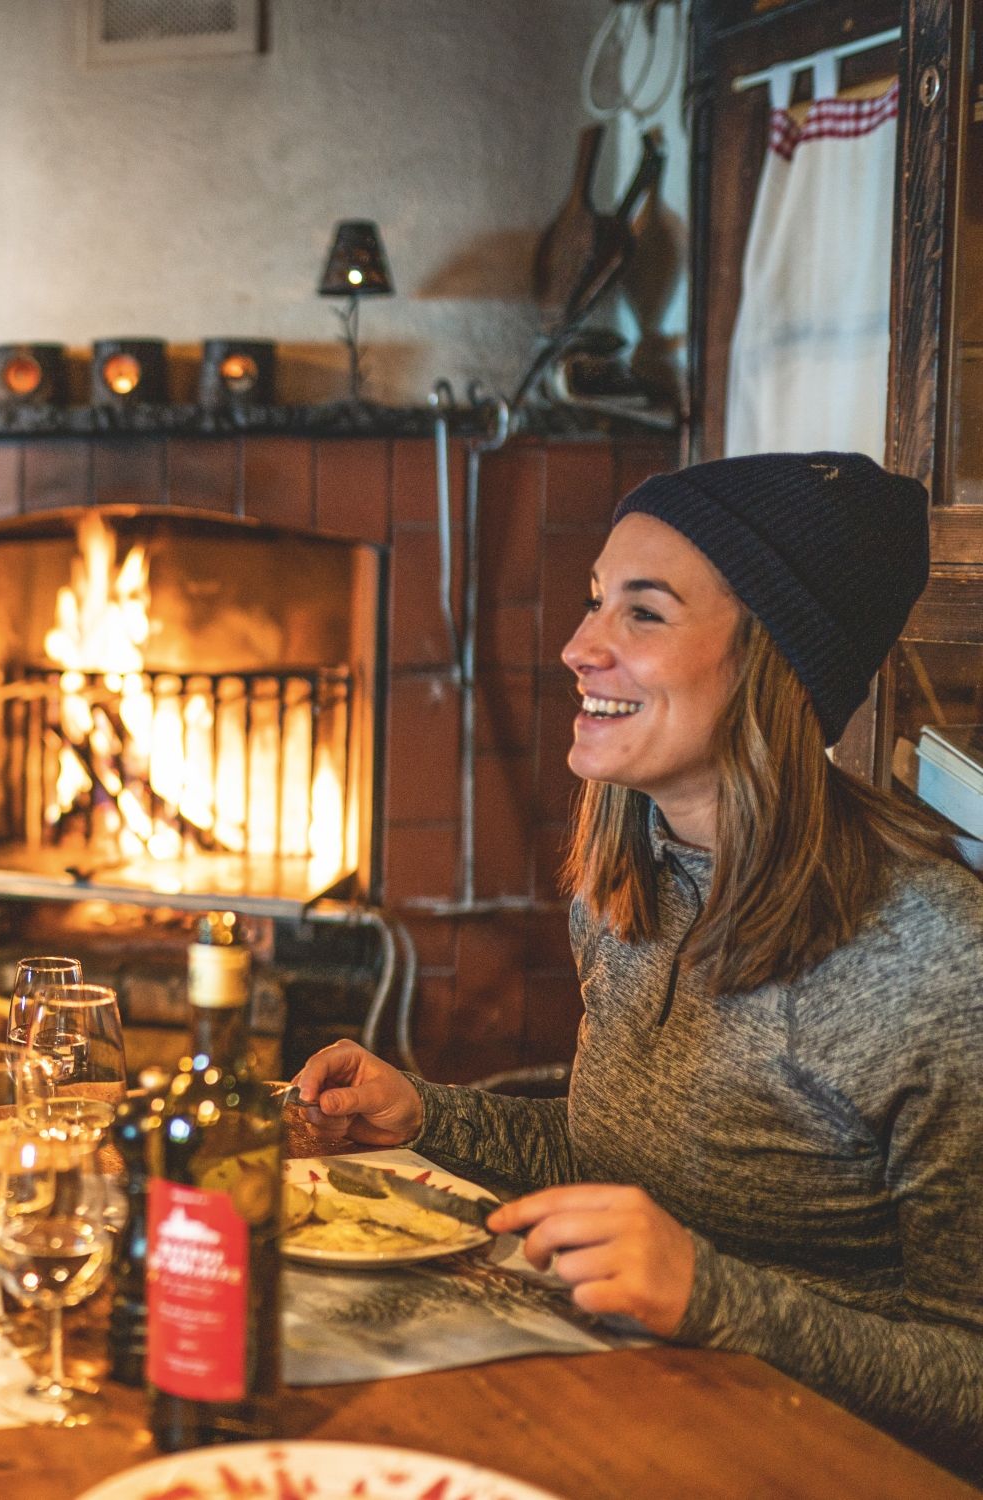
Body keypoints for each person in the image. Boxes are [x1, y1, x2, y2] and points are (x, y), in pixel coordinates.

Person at [294, 452, 983, 1479]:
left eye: (641, 614)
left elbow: (967, 1377)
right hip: (629, 1398)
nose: (577, 647)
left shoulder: (933, 959)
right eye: (590, 604)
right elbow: (623, 1178)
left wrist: (713, 1297)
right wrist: (429, 1117)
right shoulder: (630, 882)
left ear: (770, 660)